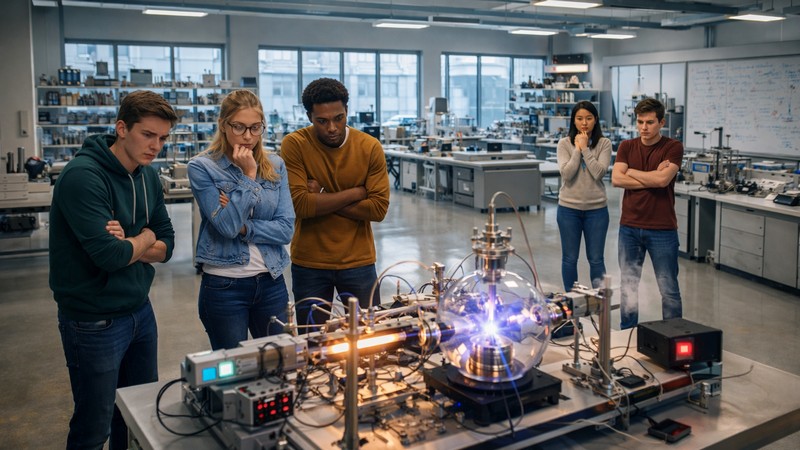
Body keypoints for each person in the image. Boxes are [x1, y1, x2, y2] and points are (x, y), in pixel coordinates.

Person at [49, 89, 177, 450]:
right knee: (94, 425)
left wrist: (135, 240)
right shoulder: (82, 177)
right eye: (147, 135)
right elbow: (108, 255)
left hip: (140, 311)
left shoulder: (148, 176)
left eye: (163, 138)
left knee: (137, 416)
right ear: (122, 128)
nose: (156, 146)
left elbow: (167, 245)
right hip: (93, 320)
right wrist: (143, 238)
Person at [187, 89, 295, 350]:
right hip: (224, 286)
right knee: (232, 372)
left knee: (278, 364)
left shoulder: (276, 164)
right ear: (223, 125)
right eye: (239, 127)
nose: (248, 136)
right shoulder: (202, 167)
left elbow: (286, 230)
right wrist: (248, 176)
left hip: (271, 281)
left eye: (255, 128)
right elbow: (226, 228)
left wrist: (244, 224)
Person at [281, 78, 390, 330]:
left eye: (338, 118)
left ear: (347, 112)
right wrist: (356, 192)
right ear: (309, 116)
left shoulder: (369, 147)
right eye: (322, 121)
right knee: (313, 342)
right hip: (310, 264)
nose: (332, 127)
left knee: (369, 337)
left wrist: (320, 192)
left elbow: (377, 209)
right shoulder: (295, 145)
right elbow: (300, 205)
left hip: (359, 262)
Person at [611, 98, 683, 330]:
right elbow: (616, 179)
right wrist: (650, 176)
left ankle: (672, 336)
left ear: (661, 122)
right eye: (640, 122)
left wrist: (632, 172)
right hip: (629, 227)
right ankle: (627, 334)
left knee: (668, 288)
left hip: (662, 229)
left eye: (650, 122)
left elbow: (663, 181)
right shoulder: (626, 146)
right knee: (628, 286)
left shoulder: (673, 147)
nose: (644, 127)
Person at [556, 101, 612, 292]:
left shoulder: (604, 144)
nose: (584, 123)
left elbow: (598, 173)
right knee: (569, 259)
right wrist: (577, 149)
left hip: (596, 211)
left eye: (588, 118)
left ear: (595, 120)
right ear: (573, 121)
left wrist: (586, 148)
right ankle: (571, 308)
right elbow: (567, 173)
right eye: (579, 119)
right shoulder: (564, 144)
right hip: (568, 209)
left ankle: (600, 308)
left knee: (596, 259)